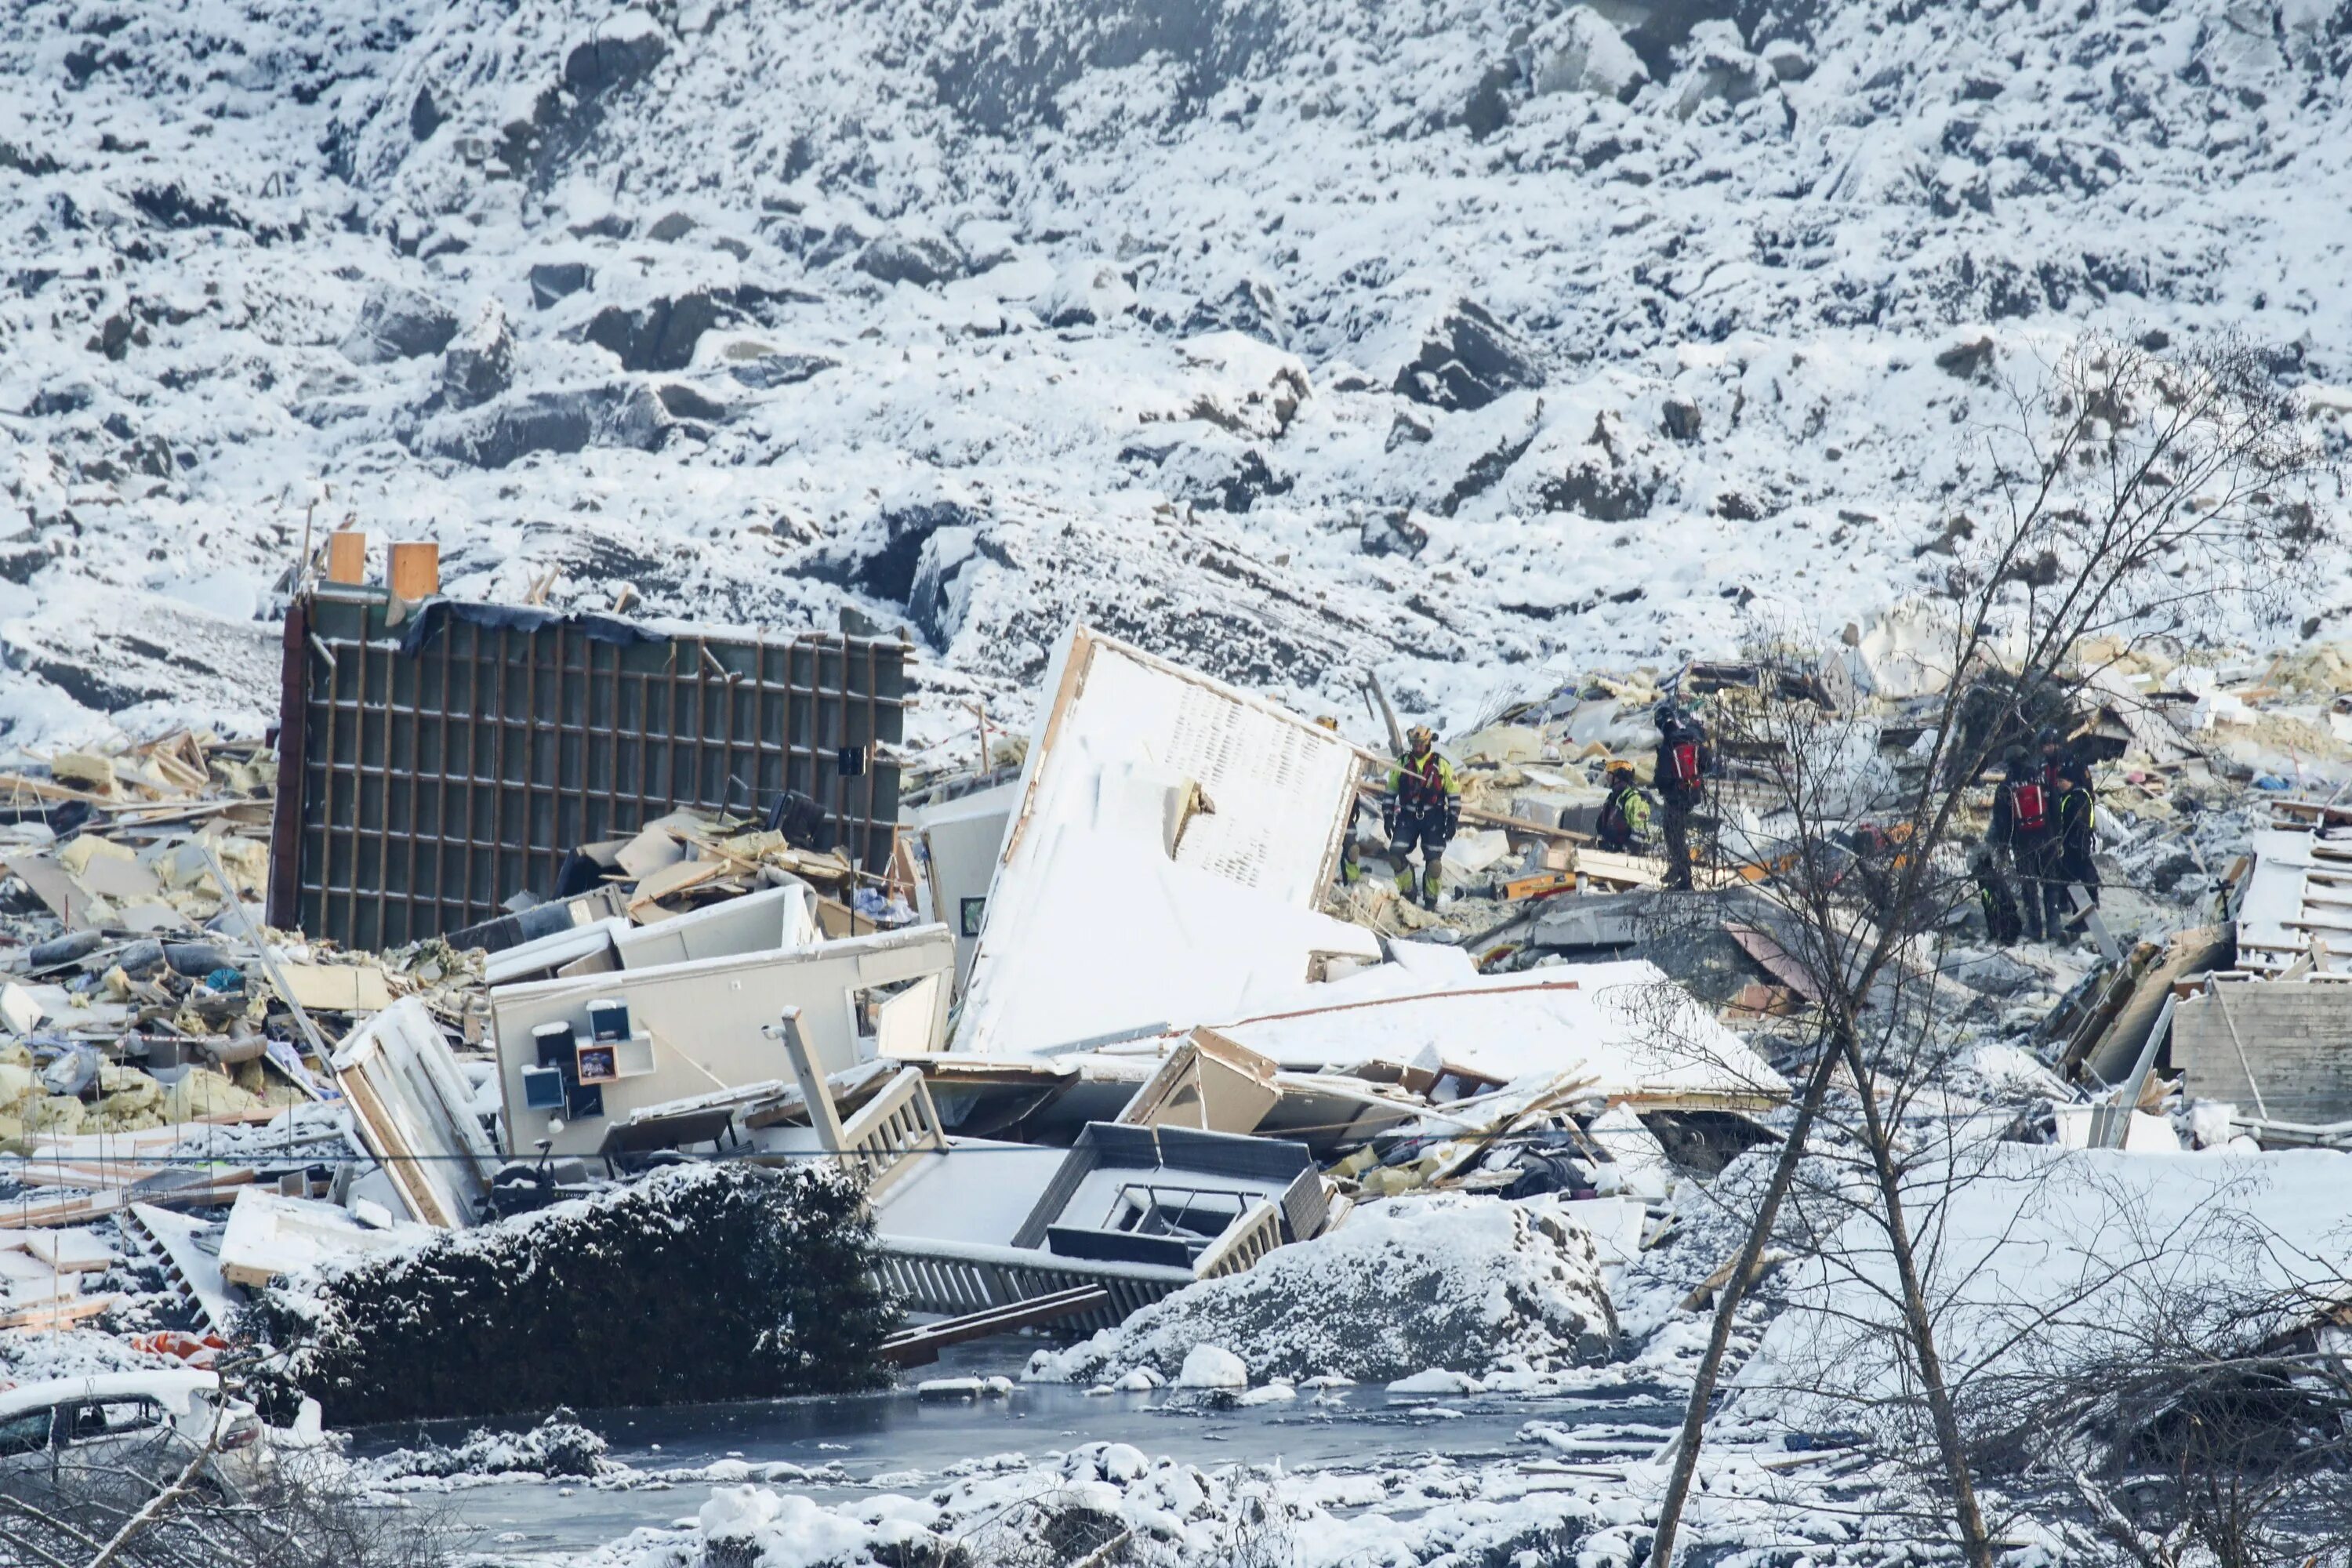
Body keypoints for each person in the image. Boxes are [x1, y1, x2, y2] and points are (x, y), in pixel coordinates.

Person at [1383, 725, 1461, 909]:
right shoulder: (1401, 764)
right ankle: (1408, 891)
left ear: (1428, 743)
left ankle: (1431, 900)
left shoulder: (1442, 765)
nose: (1417, 748)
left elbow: (1454, 795)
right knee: (1395, 855)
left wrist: (1452, 820)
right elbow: (1390, 792)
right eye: (1414, 744)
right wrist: (1387, 817)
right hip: (1407, 817)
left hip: (1434, 817)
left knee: (1434, 864)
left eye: (1421, 744)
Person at [1991, 749, 2060, 942]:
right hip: (2046, 838)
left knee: (2028, 883)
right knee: (2050, 880)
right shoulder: (2042, 778)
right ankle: (2054, 925)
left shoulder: (2006, 786)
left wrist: (2003, 845)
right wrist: (2057, 834)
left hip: (2022, 843)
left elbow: (2001, 819)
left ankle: (2035, 928)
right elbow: (2055, 804)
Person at [1652, 703, 1710, 891]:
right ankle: (1678, 869)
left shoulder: (1668, 744)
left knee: (1673, 835)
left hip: (1676, 796)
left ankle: (1685, 878)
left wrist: (1664, 787)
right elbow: (1707, 762)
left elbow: (1662, 777)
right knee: (1677, 833)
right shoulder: (1691, 737)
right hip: (1692, 793)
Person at [2053, 762, 2099, 931]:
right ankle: (2081, 910)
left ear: (2071, 780)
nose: (2059, 784)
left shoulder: (2079, 796)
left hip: (2078, 841)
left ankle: (2086, 911)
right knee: (2072, 876)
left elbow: (2079, 820)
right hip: (2070, 842)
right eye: (2057, 781)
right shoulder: (2067, 796)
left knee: (2077, 876)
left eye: (2062, 781)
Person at [1968, 833, 2024, 946]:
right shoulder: (1997, 876)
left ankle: (1997, 933)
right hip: (2013, 924)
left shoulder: (1985, 886)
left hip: (2003, 929)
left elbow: (1991, 910)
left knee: (1990, 906)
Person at [1595, 760, 1652, 853]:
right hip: (1611, 851)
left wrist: (1626, 850)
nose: (1606, 777)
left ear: (1618, 777)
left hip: (1627, 857)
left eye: (1609, 774)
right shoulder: (1613, 798)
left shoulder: (1635, 800)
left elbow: (1640, 833)